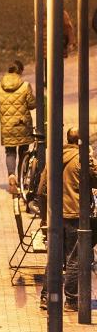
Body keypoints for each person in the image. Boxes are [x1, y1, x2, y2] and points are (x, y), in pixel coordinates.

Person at [36, 127, 97, 311]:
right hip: (75, 215)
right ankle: (71, 300)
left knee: (54, 257)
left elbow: (41, 189)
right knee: (74, 258)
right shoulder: (82, 159)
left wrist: (44, 217)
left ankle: (47, 297)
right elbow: (95, 180)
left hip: (55, 216)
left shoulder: (54, 157)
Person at [0, 60, 36, 193]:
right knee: (23, 152)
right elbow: (31, 104)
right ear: (20, 71)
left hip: (7, 126)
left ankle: (11, 176)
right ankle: (21, 179)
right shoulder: (25, 85)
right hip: (22, 125)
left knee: (10, 152)